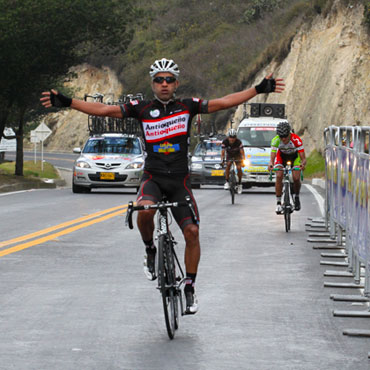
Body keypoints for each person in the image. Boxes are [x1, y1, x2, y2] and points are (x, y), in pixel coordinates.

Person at [41, 58, 284, 314]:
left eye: (169, 79)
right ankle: (149, 249)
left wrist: (258, 89)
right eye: (159, 80)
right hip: (153, 178)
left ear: (176, 83)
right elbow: (103, 110)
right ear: (152, 84)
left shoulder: (187, 106)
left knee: (191, 232)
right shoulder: (141, 108)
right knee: (145, 211)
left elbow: (224, 102)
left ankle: (189, 286)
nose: (164, 84)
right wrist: (68, 102)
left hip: (179, 180)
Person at [268, 121, 306, 214]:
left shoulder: (296, 139)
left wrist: (303, 164)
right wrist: (271, 164)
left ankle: (296, 196)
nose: (283, 139)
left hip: (294, 158)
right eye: (281, 137)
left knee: (296, 178)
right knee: (279, 176)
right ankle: (278, 202)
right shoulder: (276, 140)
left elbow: (303, 158)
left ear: (289, 133)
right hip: (281, 158)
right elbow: (273, 156)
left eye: (285, 136)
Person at [221, 128, 245, 194]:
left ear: (236, 137)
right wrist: (222, 160)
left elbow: (242, 152)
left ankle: (240, 184)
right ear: (228, 137)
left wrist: (243, 159)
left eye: (233, 137)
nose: (232, 139)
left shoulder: (239, 142)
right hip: (229, 155)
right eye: (230, 137)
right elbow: (223, 152)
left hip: (237, 155)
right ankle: (227, 182)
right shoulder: (225, 141)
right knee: (228, 164)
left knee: (239, 168)